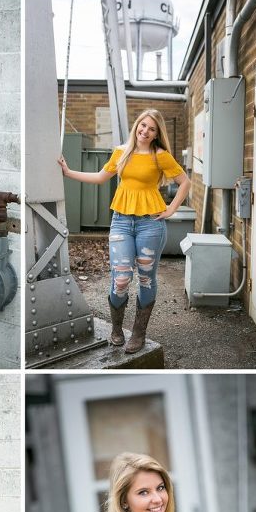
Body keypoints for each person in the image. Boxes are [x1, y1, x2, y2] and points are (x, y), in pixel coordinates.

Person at [58, 109, 191, 353]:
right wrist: (68, 173)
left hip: (150, 224)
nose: (145, 131)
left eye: (151, 129)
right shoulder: (121, 152)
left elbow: (185, 182)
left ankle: (138, 334)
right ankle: (117, 329)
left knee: (145, 278)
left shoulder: (161, 156)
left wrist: (171, 208)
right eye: (143, 125)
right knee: (120, 279)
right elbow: (100, 177)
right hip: (121, 221)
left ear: (156, 134)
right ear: (136, 125)